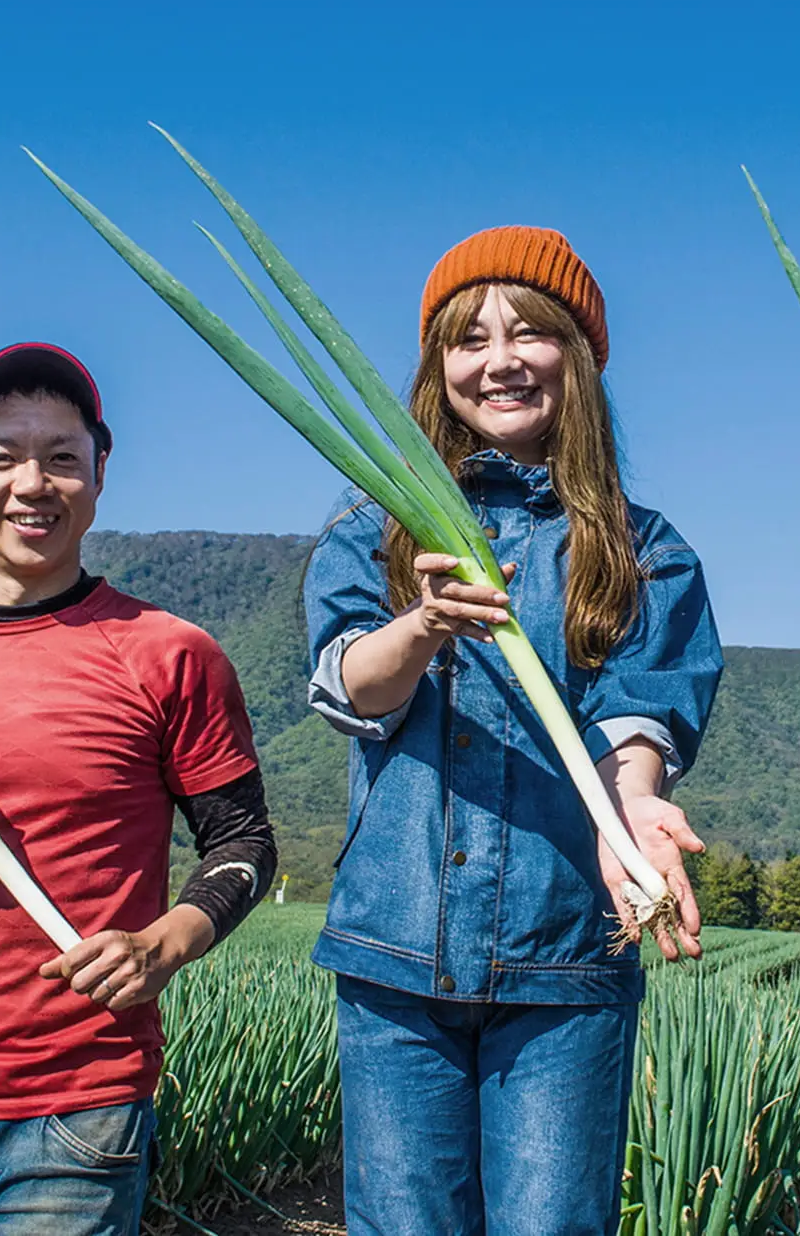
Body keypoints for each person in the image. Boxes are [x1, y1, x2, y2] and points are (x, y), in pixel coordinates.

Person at [304, 226, 723, 1235]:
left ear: (575, 357)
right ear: (435, 367)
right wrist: (422, 624)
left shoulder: (640, 547)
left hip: (565, 948)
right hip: (394, 952)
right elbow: (348, 686)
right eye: (467, 338)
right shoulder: (374, 533)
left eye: (530, 331)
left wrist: (635, 812)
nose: (499, 359)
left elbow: (638, 712)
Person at [0, 343, 277, 1234]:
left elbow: (245, 842)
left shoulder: (171, 653)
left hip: (76, 1112)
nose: (33, 483)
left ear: (100, 473)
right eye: (3, 457)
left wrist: (165, 944)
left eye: (62, 457)